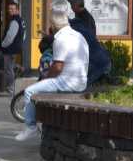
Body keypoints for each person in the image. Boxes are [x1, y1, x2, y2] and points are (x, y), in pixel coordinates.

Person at [15, 9, 89, 142]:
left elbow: (57, 67)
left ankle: (31, 127)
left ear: (53, 25)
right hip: (81, 81)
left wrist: (45, 79)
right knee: (39, 89)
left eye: (50, 24)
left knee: (29, 91)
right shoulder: (78, 36)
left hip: (67, 82)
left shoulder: (60, 39)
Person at [67, 0, 111, 85]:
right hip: (92, 58)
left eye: (71, 4)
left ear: (76, 5)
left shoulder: (83, 19)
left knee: (80, 86)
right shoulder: (82, 17)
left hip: (92, 60)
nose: (71, 7)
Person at [0, 2, 25, 96]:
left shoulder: (15, 21)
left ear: (17, 10)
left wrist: (3, 45)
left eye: (13, 9)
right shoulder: (20, 20)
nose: (10, 11)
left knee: (8, 69)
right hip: (14, 47)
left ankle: (10, 90)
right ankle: (17, 67)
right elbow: (24, 34)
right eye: (9, 9)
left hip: (10, 48)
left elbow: (9, 37)